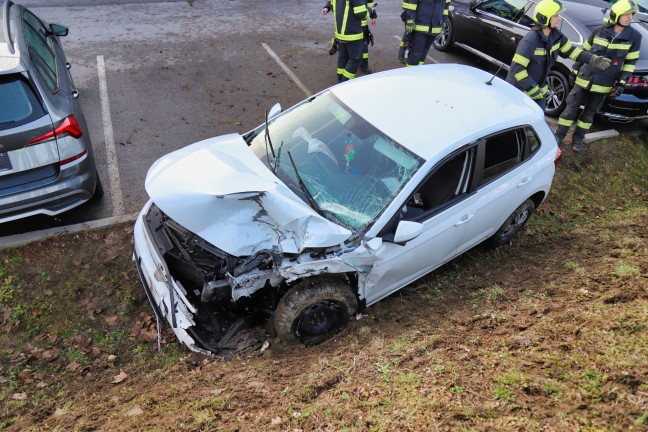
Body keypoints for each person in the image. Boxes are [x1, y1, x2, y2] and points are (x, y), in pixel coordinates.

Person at [554, 0, 642, 152]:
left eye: (631, 15)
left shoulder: (635, 37)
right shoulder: (599, 30)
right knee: (570, 109)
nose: (629, 18)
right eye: (626, 14)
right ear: (616, 15)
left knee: (588, 115)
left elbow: (630, 62)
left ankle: (578, 140)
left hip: (604, 84)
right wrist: (575, 70)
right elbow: (584, 52)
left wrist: (621, 82)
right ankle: (558, 136)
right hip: (584, 78)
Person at [505, 0, 611, 110]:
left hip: (538, 91)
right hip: (519, 92)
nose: (559, 18)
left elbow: (573, 52)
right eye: (555, 15)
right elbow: (517, 69)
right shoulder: (530, 41)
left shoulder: (556, 37)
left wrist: (592, 59)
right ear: (544, 18)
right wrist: (532, 89)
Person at [322, 0, 369, 82]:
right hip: (352, 35)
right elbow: (361, 13)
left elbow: (332, 5)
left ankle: (340, 79)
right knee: (356, 58)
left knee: (343, 57)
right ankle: (346, 81)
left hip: (340, 35)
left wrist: (327, 7)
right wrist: (370, 11)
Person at [400, 0, 451, 66]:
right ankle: (411, 72)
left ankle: (419, 69)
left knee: (424, 52)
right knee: (416, 53)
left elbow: (445, 9)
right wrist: (410, 19)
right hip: (420, 27)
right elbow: (411, 5)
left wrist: (444, 21)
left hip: (435, 28)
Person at [360, 1, 378, 74]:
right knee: (350, 47)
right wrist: (327, 7)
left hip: (363, 26)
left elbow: (370, 4)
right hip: (350, 26)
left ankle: (364, 66)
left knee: (364, 47)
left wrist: (373, 16)